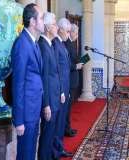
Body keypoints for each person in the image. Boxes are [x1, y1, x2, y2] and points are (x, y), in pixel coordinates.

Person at [11, 3, 45, 160]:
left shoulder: (34, 42)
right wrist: (19, 121)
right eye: (42, 18)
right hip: (25, 114)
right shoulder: (22, 43)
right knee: (25, 155)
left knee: (31, 153)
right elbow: (17, 84)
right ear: (33, 21)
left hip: (34, 110)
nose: (44, 22)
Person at [37, 12, 63, 160]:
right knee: (46, 139)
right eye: (54, 24)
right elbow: (44, 78)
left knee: (51, 135)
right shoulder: (43, 46)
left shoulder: (49, 45)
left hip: (55, 99)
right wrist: (46, 104)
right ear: (47, 27)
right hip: (49, 103)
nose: (57, 28)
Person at [52, 18, 73, 159]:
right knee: (57, 123)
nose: (69, 34)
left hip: (65, 90)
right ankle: (55, 151)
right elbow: (57, 70)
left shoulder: (63, 44)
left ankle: (60, 148)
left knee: (61, 123)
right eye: (67, 31)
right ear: (60, 29)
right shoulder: (54, 44)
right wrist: (62, 91)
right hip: (60, 91)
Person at [64, 24, 83, 137]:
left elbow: (73, 59)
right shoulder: (66, 43)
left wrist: (80, 62)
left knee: (69, 106)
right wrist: (76, 66)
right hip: (69, 79)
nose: (77, 35)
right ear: (71, 33)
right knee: (67, 106)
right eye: (76, 33)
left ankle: (68, 126)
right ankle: (66, 128)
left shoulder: (70, 43)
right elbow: (66, 63)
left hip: (73, 78)